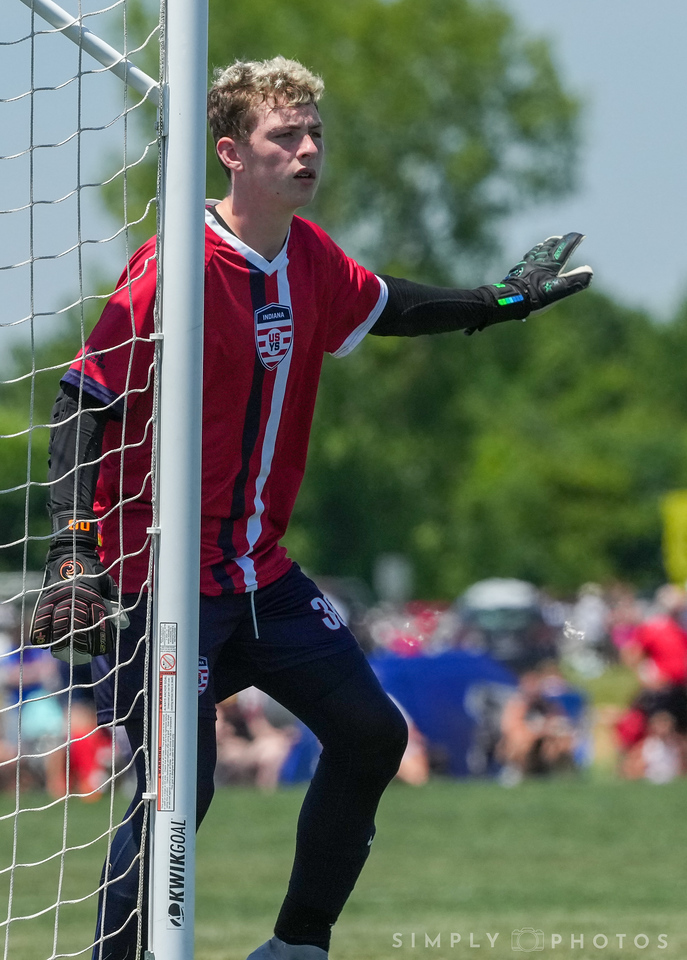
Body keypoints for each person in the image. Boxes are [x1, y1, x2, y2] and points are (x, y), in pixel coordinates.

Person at [30, 57, 593, 960]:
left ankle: (295, 947)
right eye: (283, 136)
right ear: (229, 153)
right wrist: (72, 548)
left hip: (260, 577)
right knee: (182, 788)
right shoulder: (171, 267)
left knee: (371, 735)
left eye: (314, 135)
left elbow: (391, 304)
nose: (306, 151)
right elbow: (81, 400)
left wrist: (498, 300)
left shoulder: (309, 256)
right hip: (154, 585)